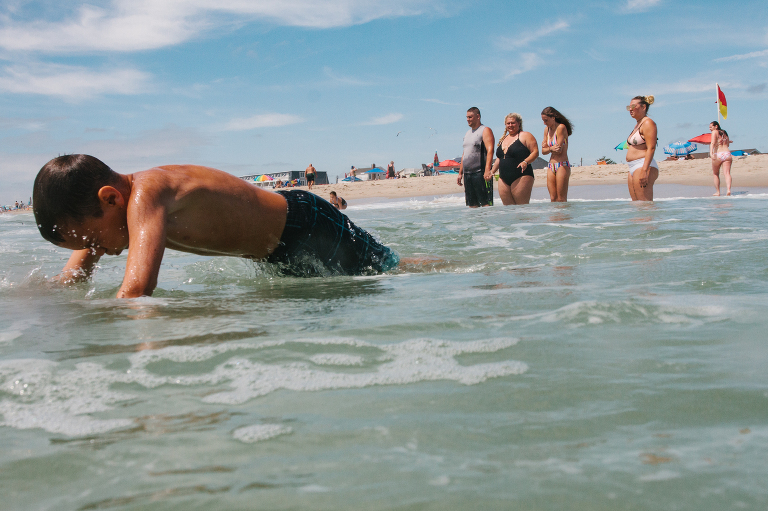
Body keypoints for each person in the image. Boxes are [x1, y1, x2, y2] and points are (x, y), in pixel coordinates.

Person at [32, 155, 400, 298]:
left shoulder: (147, 194)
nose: (96, 249)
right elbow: (70, 278)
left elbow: (137, 290)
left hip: (306, 224)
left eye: (92, 239)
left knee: (389, 270)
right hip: (276, 253)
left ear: (110, 198)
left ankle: (434, 270)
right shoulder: (113, 213)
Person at [489, 113, 539, 205]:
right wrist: (492, 171)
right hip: (503, 178)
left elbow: (535, 152)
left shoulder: (525, 135)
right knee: (509, 210)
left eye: (513, 123)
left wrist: (525, 161)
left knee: (521, 208)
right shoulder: (503, 139)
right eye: (508, 123)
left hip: (521, 175)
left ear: (519, 123)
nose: (510, 125)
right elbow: (499, 158)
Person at [458, 107, 494, 207]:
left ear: (478, 116)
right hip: (468, 174)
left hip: (480, 172)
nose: (467, 119)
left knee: (485, 204)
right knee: (472, 205)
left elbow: (490, 150)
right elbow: (464, 153)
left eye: (470, 117)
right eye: (467, 117)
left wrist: (487, 170)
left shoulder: (485, 130)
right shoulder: (467, 133)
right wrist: (460, 173)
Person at [624, 95, 658, 201]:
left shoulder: (648, 123)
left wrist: (644, 170)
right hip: (633, 166)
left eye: (633, 106)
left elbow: (651, 148)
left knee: (645, 205)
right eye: (629, 107)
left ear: (643, 107)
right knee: (637, 205)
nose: (630, 109)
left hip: (642, 165)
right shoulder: (638, 124)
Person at [540, 106, 573, 202]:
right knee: (553, 198)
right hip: (551, 165)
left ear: (553, 118)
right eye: (543, 120)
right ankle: (554, 213)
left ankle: (563, 212)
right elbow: (543, 151)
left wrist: (548, 148)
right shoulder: (546, 130)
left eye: (546, 120)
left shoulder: (561, 127)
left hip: (562, 164)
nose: (544, 123)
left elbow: (559, 150)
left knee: (561, 199)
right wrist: (551, 148)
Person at [709, 121, 732, 196]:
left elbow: (712, 143)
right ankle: (728, 190)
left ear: (716, 126)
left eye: (711, 127)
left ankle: (718, 192)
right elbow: (727, 144)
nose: (710, 129)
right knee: (727, 173)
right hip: (727, 153)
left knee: (715, 173)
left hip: (718, 153)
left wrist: (711, 153)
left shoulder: (714, 132)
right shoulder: (725, 132)